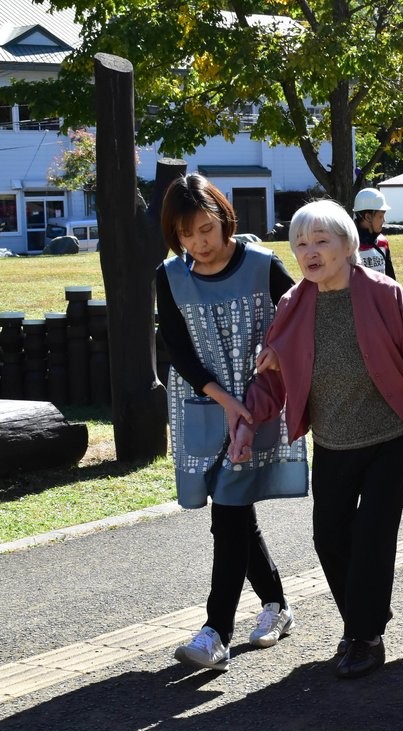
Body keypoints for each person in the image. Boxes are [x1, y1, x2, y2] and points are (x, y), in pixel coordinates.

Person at [231, 199, 403, 679]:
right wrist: (248, 422)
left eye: (321, 241)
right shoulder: (293, 305)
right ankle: (363, 617)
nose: (309, 252)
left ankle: (364, 636)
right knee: (329, 536)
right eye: (300, 244)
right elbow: (273, 375)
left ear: (348, 245)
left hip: (391, 435)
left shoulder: (383, 293)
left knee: (373, 535)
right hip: (333, 440)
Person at [156, 173, 307, 672]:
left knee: (228, 515)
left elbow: (302, 315)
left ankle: (215, 633)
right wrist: (222, 400)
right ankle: (276, 605)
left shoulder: (263, 265)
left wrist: (277, 352)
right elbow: (177, 349)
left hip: (256, 405)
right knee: (236, 513)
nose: (198, 243)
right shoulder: (169, 277)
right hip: (205, 405)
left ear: (224, 219)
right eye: (186, 234)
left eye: (205, 229)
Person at [353, 188, 396, 279]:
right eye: (381, 216)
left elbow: (390, 279)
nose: (384, 220)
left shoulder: (382, 242)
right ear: (368, 217)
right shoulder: (349, 245)